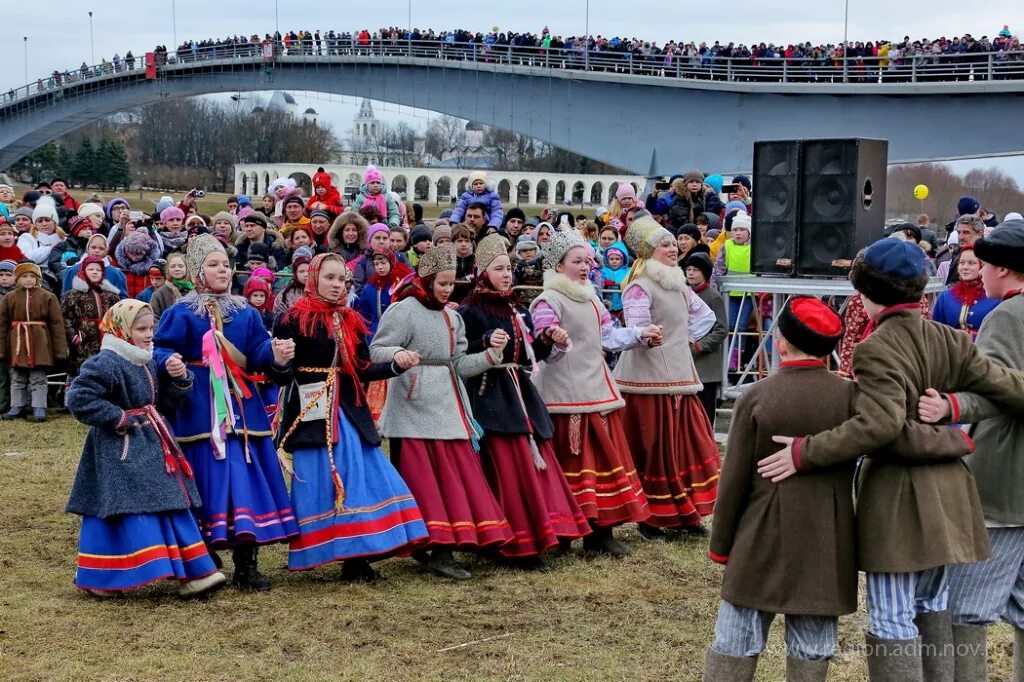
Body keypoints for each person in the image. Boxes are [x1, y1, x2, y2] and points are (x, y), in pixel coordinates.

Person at [757, 238, 1024, 679]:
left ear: (868, 294)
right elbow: (1006, 385)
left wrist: (806, 452)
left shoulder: (875, 347)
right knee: (933, 605)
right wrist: (954, 410)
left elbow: (878, 426)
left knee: (893, 617)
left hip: (901, 499)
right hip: (952, 495)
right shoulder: (950, 339)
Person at [154, 235, 299, 591]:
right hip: (199, 409)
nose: (222, 270)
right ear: (197, 273)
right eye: (214, 265)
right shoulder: (180, 312)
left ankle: (246, 563)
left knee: (244, 481)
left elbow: (256, 351)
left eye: (225, 264)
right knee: (206, 480)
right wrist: (168, 362)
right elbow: (160, 347)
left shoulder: (246, 312)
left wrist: (275, 354)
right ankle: (204, 554)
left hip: (241, 411)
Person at [271, 253, 428, 580]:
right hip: (312, 412)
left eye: (342, 279)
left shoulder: (350, 319)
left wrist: (397, 365)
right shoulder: (291, 320)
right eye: (330, 278)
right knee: (320, 482)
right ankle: (327, 549)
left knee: (363, 475)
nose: (337, 285)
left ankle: (358, 557)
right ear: (313, 278)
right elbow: (282, 376)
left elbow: (362, 368)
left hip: (349, 411)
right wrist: (281, 363)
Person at [370, 243, 515, 580]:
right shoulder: (402, 310)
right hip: (413, 407)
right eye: (442, 283)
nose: (448, 290)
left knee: (452, 480)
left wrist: (491, 357)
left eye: (452, 284)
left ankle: (445, 546)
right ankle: (430, 546)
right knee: (424, 483)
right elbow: (377, 349)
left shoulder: (452, 316)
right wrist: (398, 356)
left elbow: (460, 364)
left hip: (449, 407)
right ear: (427, 278)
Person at [918, 220, 1024, 679]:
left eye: (984, 266)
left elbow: (1005, 388)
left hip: (1005, 483)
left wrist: (953, 403)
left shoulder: (1009, 314)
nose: (980, 274)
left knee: (964, 611)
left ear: (1003, 269)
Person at [65, 300, 226, 598]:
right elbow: (78, 397)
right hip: (120, 449)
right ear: (122, 330)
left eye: (151, 327)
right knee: (118, 508)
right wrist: (120, 418)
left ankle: (193, 572)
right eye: (141, 328)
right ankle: (104, 575)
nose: (149, 334)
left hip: (153, 442)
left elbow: (161, 405)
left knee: (172, 498)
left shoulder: (145, 359)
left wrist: (179, 380)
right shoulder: (107, 361)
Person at [458, 235, 590, 571]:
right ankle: (512, 540)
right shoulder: (469, 310)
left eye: (508, 269)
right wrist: (485, 342)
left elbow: (530, 357)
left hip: (520, 394)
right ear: (482, 272)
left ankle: (549, 529)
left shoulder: (516, 310)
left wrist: (548, 339)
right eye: (498, 269)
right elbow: (459, 354)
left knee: (536, 462)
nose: (506, 275)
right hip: (489, 395)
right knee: (506, 464)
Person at [529, 229, 655, 556]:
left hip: (598, 389)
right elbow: (545, 349)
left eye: (586, 260)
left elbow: (609, 337)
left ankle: (600, 534)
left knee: (603, 463)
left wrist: (640, 334)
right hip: (564, 396)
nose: (584, 267)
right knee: (571, 464)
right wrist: (553, 340)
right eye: (576, 261)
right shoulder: (547, 301)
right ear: (558, 265)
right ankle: (562, 533)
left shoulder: (592, 297)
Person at [613, 216, 720, 538]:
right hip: (648, 380)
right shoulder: (638, 287)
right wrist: (649, 336)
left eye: (674, 243)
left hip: (681, 376)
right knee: (655, 448)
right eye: (665, 244)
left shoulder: (679, 286)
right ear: (649, 250)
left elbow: (706, 317)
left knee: (686, 444)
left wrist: (681, 340)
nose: (673, 248)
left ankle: (685, 511)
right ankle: (652, 516)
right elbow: (636, 328)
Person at [0, 262, 68, 422]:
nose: (29, 280)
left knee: (38, 378)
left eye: (32, 276)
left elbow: (57, 324)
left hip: (40, 345)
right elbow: (2, 324)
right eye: (24, 276)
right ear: (18, 279)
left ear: (38, 279)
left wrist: (60, 350)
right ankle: (17, 406)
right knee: (17, 377)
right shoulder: (10, 298)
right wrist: (2, 348)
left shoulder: (48, 297)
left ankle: (39, 407)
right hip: (17, 343)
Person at [61, 256, 121, 386]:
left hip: (107, 340)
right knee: (82, 370)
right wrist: (74, 337)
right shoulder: (73, 295)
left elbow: (118, 316)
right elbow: (65, 318)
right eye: (91, 269)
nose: (94, 272)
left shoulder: (111, 295)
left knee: (107, 368)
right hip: (84, 341)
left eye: (98, 270)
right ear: (83, 270)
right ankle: (75, 399)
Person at [685, 252, 727, 429]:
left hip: (705, 365)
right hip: (685, 363)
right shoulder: (683, 294)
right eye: (688, 269)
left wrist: (700, 346)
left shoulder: (712, 297)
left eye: (695, 270)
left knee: (705, 412)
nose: (691, 273)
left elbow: (721, 329)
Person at [930, 244, 999, 340]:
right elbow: (935, 333)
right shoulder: (946, 297)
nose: (965, 267)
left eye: (971, 263)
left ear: (982, 266)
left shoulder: (995, 298)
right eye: (962, 263)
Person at [354, 248, 411, 343]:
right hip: (376, 332)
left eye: (383, 263)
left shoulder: (402, 284)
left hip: (400, 331)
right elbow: (364, 314)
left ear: (392, 262)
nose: (380, 267)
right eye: (376, 264)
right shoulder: (370, 287)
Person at [150, 253, 192, 321]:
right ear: (167, 269)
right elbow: (153, 318)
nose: (177, 269)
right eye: (173, 266)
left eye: (180, 266)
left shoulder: (195, 290)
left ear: (186, 268)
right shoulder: (158, 294)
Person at [599, 241, 630, 317]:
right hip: (607, 302)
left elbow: (630, 280)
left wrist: (621, 283)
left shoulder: (626, 271)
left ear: (622, 260)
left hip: (621, 304)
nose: (614, 261)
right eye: (612, 259)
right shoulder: (604, 270)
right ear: (607, 259)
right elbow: (600, 280)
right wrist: (606, 282)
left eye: (617, 259)